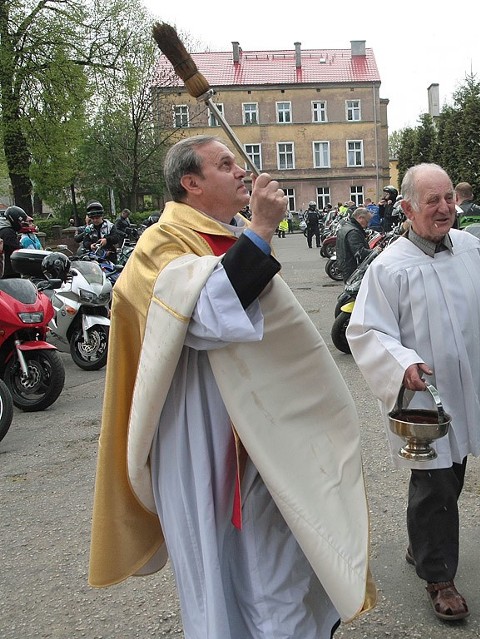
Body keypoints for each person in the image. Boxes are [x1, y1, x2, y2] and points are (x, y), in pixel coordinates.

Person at [88, 134, 375, 638]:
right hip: (204, 437)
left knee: (284, 557)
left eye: (238, 163)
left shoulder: (233, 230)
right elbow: (203, 318)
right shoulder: (161, 244)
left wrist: (255, 233)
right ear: (191, 183)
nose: (241, 171)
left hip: (268, 433)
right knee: (223, 568)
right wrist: (263, 230)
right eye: (225, 165)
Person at [346, 163, 480, 623]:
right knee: (434, 479)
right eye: (432, 201)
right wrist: (403, 364)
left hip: (467, 384)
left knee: (452, 470)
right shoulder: (390, 266)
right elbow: (368, 330)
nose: (444, 209)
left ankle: (423, 546)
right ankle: (439, 576)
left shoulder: (472, 250)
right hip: (423, 395)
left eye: (448, 199)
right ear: (408, 208)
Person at [335, 207, 372, 281]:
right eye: (367, 221)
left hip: (345, 266)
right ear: (360, 218)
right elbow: (359, 252)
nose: (368, 224)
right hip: (351, 268)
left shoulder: (347, 226)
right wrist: (375, 251)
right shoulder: (353, 232)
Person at [0, 205, 25, 277]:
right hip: (8, 271)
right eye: (20, 221)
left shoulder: (3, 229)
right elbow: (16, 249)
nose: (21, 224)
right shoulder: (7, 232)